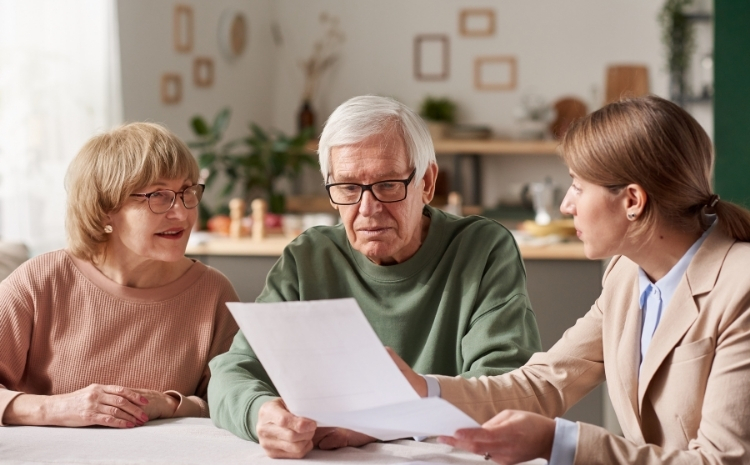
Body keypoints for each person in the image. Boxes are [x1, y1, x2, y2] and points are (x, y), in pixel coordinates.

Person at [391, 95, 750, 464]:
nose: (566, 204)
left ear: (632, 201)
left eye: (577, 185)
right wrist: (424, 391)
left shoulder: (742, 288)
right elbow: (545, 382)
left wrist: (562, 443)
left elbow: (722, 461)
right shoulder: (626, 274)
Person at [208, 95, 542, 458]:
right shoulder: (309, 258)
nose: (368, 209)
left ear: (427, 183)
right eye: (349, 188)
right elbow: (231, 373)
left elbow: (505, 390)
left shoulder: (483, 249)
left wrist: (380, 425)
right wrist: (260, 414)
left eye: (387, 184)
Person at [0, 123, 239, 428]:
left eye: (186, 191)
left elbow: (233, 401)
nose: (182, 213)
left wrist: (169, 404)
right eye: (159, 196)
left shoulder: (213, 291)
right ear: (104, 209)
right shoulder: (41, 281)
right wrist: (57, 408)